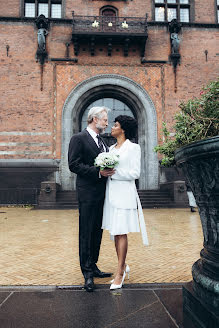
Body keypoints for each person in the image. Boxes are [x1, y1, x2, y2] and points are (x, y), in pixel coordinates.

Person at [68, 106, 113, 292]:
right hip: (87, 193)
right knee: (86, 231)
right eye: (104, 119)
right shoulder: (78, 138)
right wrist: (98, 172)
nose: (107, 123)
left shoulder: (102, 141)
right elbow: (73, 164)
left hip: (102, 194)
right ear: (95, 119)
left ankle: (93, 266)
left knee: (97, 231)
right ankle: (86, 273)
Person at [102, 115, 149, 290]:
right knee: (115, 232)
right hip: (111, 195)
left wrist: (115, 173)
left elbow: (135, 173)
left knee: (121, 232)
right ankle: (123, 264)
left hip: (125, 193)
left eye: (115, 125)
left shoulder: (133, 148)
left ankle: (120, 272)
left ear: (123, 129)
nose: (112, 128)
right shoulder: (110, 148)